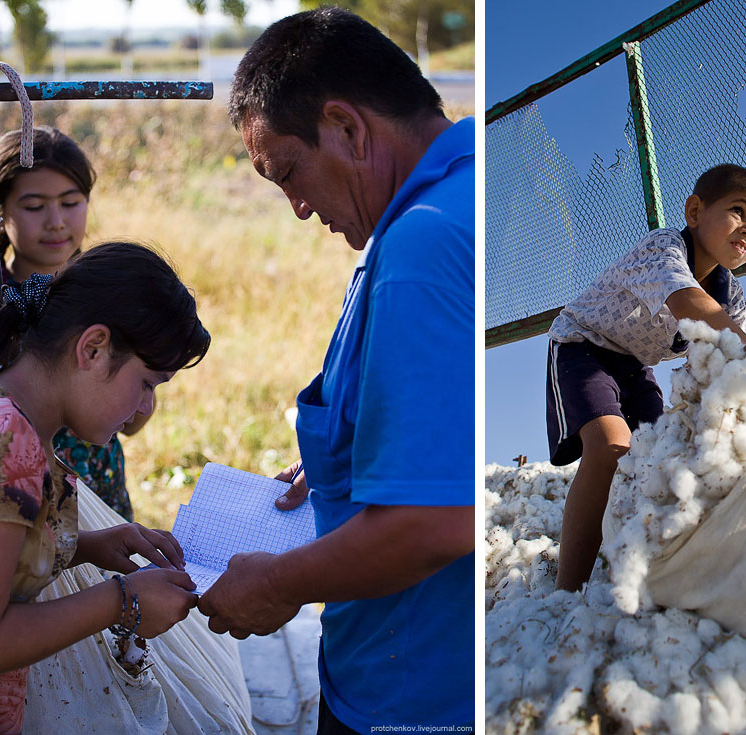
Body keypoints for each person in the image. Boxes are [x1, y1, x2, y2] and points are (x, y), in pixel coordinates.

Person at [196, 8, 474, 733]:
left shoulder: (420, 247)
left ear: (347, 127)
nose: (296, 208)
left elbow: (435, 519)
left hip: (413, 699)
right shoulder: (471, 196)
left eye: (289, 172)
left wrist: (279, 582)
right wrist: (348, 460)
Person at [547, 163, 746, 592]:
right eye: (738, 211)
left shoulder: (733, 294)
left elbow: (739, 350)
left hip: (637, 366)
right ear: (694, 212)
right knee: (610, 446)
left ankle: (633, 567)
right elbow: (691, 303)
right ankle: (567, 590)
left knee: (653, 458)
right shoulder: (664, 249)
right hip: (584, 347)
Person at [0, 241, 209, 734]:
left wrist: (87, 548)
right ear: (92, 348)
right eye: (148, 383)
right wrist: (121, 600)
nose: (146, 409)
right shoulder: (7, 441)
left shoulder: (18, 421)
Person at [0, 126, 146, 520]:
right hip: (17, 503)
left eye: (71, 201)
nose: (56, 221)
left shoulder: (109, 292)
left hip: (99, 486)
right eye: (33, 206)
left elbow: (131, 424)